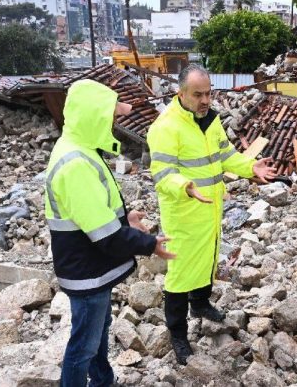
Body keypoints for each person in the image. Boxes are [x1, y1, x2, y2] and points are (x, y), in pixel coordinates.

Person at [44, 79, 176, 387]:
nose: (114, 124)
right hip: (87, 272)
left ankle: (103, 381)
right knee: (84, 347)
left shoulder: (79, 148)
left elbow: (92, 212)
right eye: (111, 118)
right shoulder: (75, 163)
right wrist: (149, 244)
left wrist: (124, 217)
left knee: (97, 333)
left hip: (89, 269)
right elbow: (105, 235)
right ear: (93, 116)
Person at [147, 64, 277, 365]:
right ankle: (178, 335)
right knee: (179, 276)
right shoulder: (166, 127)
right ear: (181, 94)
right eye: (198, 95)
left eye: (208, 94)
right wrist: (186, 186)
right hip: (184, 213)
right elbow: (162, 174)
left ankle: (201, 303)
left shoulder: (210, 120)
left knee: (208, 258)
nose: (206, 100)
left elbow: (226, 155)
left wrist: (250, 167)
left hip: (210, 208)